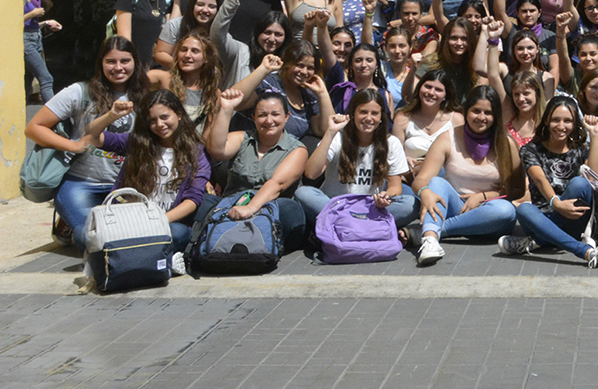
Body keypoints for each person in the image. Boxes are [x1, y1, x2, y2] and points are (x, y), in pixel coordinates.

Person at [30, 36, 147, 249]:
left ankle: (77, 220)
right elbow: (34, 128)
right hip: (81, 183)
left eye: (125, 61)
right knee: (92, 237)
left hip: (125, 185)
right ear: (100, 63)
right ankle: (73, 219)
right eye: (111, 61)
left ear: (135, 62)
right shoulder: (79, 91)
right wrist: (73, 146)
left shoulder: (146, 94)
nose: (118, 67)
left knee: (133, 233)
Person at [78, 91, 209, 263]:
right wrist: (112, 116)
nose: (160, 124)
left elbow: (193, 200)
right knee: (81, 233)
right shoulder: (136, 142)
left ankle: (133, 257)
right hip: (130, 220)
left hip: (166, 223)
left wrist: (156, 222)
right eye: (152, 120)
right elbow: (90, 136)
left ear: (178, 115)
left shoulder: (197, 152)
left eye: (164, 117)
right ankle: (152, 258)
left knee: (179, 233)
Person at [501, 95, 598, 268]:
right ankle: (587, 252)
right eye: (555, 120)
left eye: (567, 121)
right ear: (546, 122)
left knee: (580, 184)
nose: (561, 126)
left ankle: (536, 242)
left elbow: (593, 177)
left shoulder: (581, 150)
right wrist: (556, 203)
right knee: (523, 209)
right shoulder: (531, 150)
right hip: (542, 218)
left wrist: (595, 135)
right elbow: (539, 179)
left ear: (574, 125)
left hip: (574, 220)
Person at [410, 86, 522, 266]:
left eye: (488, 112)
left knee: (506, 211)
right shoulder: (447, 138)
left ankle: (435, 230)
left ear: (496, 116)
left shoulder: (506, 143)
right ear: (466, 111)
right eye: (476, 111)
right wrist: (425, 192)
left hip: (489, 214)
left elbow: (518, 190)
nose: (481, 117)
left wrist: (484, 196)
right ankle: (430, 241)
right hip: (455, 205)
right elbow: (421, 180)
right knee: (436, 182)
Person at [203, 88, 312, 255]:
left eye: (275, 114)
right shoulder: (242, 138)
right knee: (204, 202)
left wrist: (250, 209)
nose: (269, 120)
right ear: (253, 118)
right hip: (233, 208)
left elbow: (276, 184)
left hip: (271, 212)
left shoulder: (297, 149)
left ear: (286, 117)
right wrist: (226, 109)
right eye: (262, 115)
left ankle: (267, 245)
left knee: (288, 207)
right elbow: (216, 150)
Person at [297, 88, 416, 226]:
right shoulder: (337, 138)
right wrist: (330, 132)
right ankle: (358, 224)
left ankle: (347, 224)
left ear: (381, 117)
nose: (369, 118)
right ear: (353, 114)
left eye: (375, 113)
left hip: (369, 207)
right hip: (335, 205)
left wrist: (386, 197)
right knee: (303, 193)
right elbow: (311, 173)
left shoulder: (391, 143)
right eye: (363, 112)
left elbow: (395, 186)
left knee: (411, 203)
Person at [23, 0, 60, 102]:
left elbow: (31, 25)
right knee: (46, 79)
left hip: (36, 39)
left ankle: (19, 119)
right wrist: (33, 13)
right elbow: (13, 23)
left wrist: (46, 23)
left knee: (27, 81)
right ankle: (54, 118)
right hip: (26, 41)